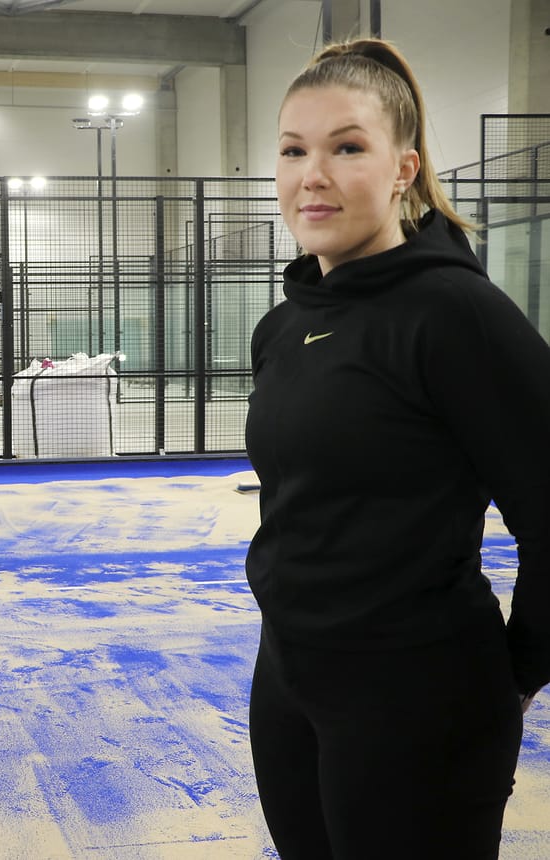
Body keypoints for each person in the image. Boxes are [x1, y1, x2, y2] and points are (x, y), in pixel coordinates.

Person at [245, 39, 550, 858]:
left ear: (403, 168)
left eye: (348, 147)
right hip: (288, 681)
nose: (314, 174)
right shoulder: (282, 326)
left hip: (417, 695)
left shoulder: (455, 315)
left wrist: (515, 672)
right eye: (293, 149)